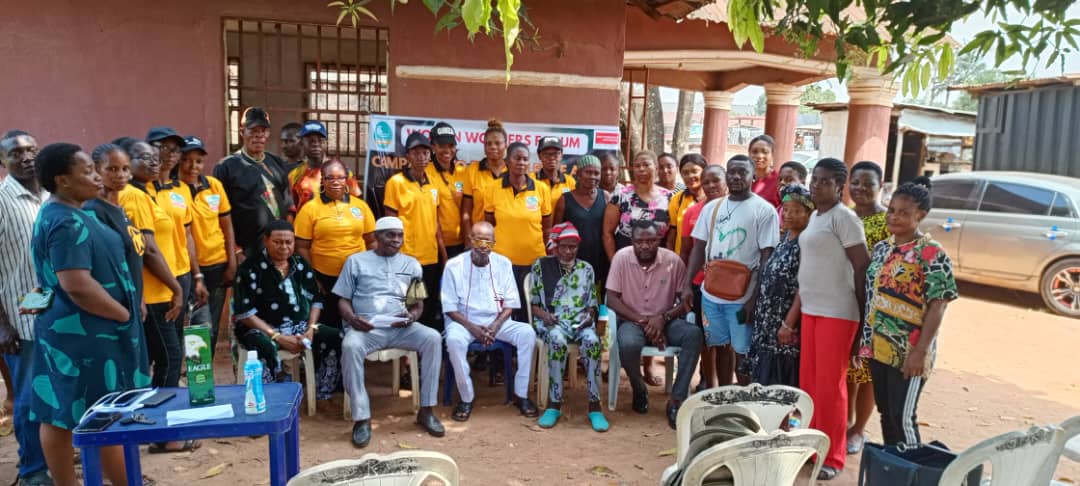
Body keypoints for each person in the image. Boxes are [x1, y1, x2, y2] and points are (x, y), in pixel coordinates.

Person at [31, 143, 150, 486]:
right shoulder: (65, 221)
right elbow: (77, 284)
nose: (97, 176)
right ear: (62, 180)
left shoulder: (76, 212)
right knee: (93, 414)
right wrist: (122, 314)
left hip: (86, 332)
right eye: (87, 171)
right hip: (84, 336)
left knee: (70, 411)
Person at [860, 178, 956, 447]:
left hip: (909, 352)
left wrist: (920, 351)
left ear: (921, 215)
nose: (895, 216)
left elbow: (939, 304)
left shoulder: (931, 253)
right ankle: (894, 469)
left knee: (903, 418)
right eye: (892, 210)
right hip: (880, 348)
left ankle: (913, 470)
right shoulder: (882, 249)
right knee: (886, 415)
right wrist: (866, 343)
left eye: (904, 212)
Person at [334, 216, 444, 447]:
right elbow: (342, 300)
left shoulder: (412, 264)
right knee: (350, 346)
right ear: (376, 236)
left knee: (433, 338)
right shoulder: (356, 262)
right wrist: (353, 319)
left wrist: (412, 317)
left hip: (401, 327)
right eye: (390, 234)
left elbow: (417, 303)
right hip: (367, 329)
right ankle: (361, 418)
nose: (396, 240)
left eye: (399, 235)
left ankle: (426, 410)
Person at [793, 157, 870, 480]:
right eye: (814, 179)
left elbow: (862, 267)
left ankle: (834, 456)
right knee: (810, 386)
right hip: (812, 310)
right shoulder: (816, 217)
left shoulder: (844, 218)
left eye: (824, 181)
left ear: (840, 187)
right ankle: (813, 447)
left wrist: (863, 323)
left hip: (838, 314)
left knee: (831, 388)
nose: (816, 185)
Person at [686, 154, 779, 386]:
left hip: (743, 297)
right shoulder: (712, 208)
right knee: (718, 346)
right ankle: (724, 395)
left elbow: (767, 256)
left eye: (742, 172)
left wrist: (755, 298)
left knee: (742, 351)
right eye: (732, 172)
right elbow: (698, 247)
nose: (736, 176)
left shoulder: (764, 210)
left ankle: (744, 401)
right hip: (711, 295)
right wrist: (686, 284)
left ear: (753, 176)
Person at [232, 220, 341, 401]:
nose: (284, 247)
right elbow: (245, 313)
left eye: (288, 242)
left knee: (336, 337)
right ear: (266, 241)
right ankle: (268, 398)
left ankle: (321, 394)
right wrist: (277, 337)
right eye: (278, 242)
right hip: (261, 330)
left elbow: (315, 299)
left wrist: (311, 329)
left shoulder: (300, 264)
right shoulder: (250, 268)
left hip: (301, 328)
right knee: (263, 347)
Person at [607, 221, 701, 429]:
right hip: (633, 320)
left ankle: (677, 399)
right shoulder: (621, 259)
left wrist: (663, 319)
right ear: (632, 242)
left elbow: (685, 301)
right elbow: (611, 299)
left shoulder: (673, 261)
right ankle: (638, 385)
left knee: (693, 334)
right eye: (639, 241)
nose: (645, 246)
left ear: (658, 240)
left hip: (667, 320)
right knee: (628, 343)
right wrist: (643, 321)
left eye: (650, 241)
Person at [441, 222, 539, 421]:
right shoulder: (454, 265)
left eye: (488, 241)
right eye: (478, 239)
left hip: (498, 322)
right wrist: (474, 329)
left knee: (527, 333)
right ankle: (467, 397)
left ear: (494, 242)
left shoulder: (503, 263)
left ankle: (521, 394)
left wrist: (494, 326)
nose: (483, 245)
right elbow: (450, 308)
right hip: (464, 323)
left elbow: (510, 303)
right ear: (470, 240)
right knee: (454, 341)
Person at [115, 141, 186, 403]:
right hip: (153, 294)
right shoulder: (133, 196)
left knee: (158, 357)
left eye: (155, 157)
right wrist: (176, 288)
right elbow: (147, 249)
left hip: (157, 290)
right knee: (170, 359)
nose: (154, 162)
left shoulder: (146, 193)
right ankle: (163, 432)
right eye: (144, 157)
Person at [0, 130, 51, 486]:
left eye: (31, 149)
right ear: (2, 161)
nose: (26, 157)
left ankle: (56, 457)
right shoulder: (2, 201)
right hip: (21, 321)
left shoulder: (52, 195)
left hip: (59, 315)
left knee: (58, 392)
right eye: (15, 153)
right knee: (30, 396)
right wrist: (2, 326)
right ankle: (32, 471)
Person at [603, 150, 672, 387]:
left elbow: (670, 236)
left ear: (656, 167)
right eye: (637, 166)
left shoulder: (668, 197)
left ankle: (648, 364)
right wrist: (615, 264)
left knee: (654, 310)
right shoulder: (621, 195)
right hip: (626, 265)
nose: (641, 170)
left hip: (657, 267)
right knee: (624, 314)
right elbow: (607, 233)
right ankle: (619, 359)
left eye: (646, 165)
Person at [529, 223, 607, 432]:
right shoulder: (541, 266)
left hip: (579, 322)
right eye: (564, 246)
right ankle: (554, 404)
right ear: (555, 246)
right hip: (552, 321)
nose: (568, 251)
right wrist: (546, 316)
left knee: (592, 342)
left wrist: (590, 317)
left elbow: (592, 304)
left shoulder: (586, 269)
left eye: (573, 247)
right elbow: (534, 305)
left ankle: (594, 405)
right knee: (557, 340)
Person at [294, 159, 376, 331]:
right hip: (325, 277)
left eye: (340, 177)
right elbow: (301, 246)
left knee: (356, 322)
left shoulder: (360, 206)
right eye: (330, 178)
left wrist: (373, 272)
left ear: (347, 179)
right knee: (329, 323)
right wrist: (313, 277)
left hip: (357, 277)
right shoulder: (310, 209)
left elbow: (371, 241)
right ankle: (330, 357)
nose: (336, 182)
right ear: (322, 180)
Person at [745, 183, 814, 387]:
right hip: (766, 322)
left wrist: (788, 324)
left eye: (797, 211)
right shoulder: (784, 238)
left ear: (809, 214)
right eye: (786, 210)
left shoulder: (806, 242)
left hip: (784, 325)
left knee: (780, 382)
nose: (789, 215)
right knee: (763, 380)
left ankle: (784, 420)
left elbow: (804, 286)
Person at [177, 136, 237, 356]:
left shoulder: (213, 186)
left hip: (217, 265)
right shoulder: (173, 189)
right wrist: (195, 274)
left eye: (199, 161)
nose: (193, 166)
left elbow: (227, 226)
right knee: (196, 327)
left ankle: (204, 376)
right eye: (186, 160)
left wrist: (232, 262)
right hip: (188, 268)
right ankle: (193, 377)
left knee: (209, 328)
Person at [845, 160, 889, 454]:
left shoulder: (890, 222)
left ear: (881, 187)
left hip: (874, 307)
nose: (860, 189)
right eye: (855, 183)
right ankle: (843, 422)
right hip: (842, 302)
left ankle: (858, 429)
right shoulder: (843, 217)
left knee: (867, 372)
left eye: (868, 184)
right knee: (846, 370)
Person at [483, 141, 553, 322]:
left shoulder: (541, 189)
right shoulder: (492, 188)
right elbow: (490, 224)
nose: (521, 163)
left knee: (529, 310)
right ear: (507, 161)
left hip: (533, 261)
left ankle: (528, 347)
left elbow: (547, 227)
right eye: (517, 158)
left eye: (525, 159)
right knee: (503, 309)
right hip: (502, 263)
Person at [384, 132, 445, 330]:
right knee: (410, 304)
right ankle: (406, 353)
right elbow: (390, 223)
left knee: (427, 305)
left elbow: (435, 222)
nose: (422, 157)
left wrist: (443, 255)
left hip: (430, 257)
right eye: (416, 153)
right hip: (407, 258)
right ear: (408, 156)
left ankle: (423, 349)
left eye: (425, 152)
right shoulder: (396, 183)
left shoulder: (433, 184)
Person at [213, 107, 292, 260]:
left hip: (278, 251)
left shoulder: (277, 163)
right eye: (252, 130)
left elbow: (288, 207)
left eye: (262, 131)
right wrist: (235, 251)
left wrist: (289, 240)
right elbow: (217, 216)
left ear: (268, 134)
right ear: (242, 132)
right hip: (246, 252)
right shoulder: (226, 167)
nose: (258, 136)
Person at [677, 165, 727, 390]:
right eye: (706, 182)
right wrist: (685, 283)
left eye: (716, 181)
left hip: (729, 287)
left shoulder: (737, 210)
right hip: (700, 285)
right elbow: (687, 250)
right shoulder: (692, 212)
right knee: (706, 337)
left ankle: (723, 386)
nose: (711, 186)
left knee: (726, 341)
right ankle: (708, 380)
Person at [553, 154, 610, 285]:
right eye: (588, 172)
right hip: (570, 261)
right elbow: (555, 233)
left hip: (599, 261)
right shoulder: (565, 199)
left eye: (596, 173)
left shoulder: (605, 197)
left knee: (596, 300)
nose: (593, 177)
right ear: (578, 174)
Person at [288, 120, 362, 213]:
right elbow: (292, 209)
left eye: (320, 140)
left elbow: (357, 202)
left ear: (326, 143)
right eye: (311, 141)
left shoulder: (342, 171)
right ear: (302, 143)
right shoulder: (294, 175)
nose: (316, 144)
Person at [461, 119, 509, 240]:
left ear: (506, 146)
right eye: (489, 143)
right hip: (479, 238)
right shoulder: (472, 170)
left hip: (506, 238)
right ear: (484, 146)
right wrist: (468, 239)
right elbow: (466, 210)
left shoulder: (513, 171)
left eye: (498, 143)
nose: (493, 147)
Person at [426, 121, 467, 258]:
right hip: (434, 244)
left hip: (460, 243)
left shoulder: (462, 172)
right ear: (433, 147)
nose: (447, 150)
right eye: (442, 146)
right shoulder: (426, 172)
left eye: (451, 145)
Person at [667, 153, 707, 254]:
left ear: (705, 171)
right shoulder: (677, 199)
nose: (690, 176)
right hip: (683, 258)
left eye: (694, 171)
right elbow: (672, 235)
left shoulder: (714, 199)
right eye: (685, 173)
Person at [748, 135, 781, 208]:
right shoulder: (743, 179)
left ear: (772, 155)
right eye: (754, 152)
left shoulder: (780, 180)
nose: (759, 156)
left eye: (765, 152)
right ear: (749, 154)